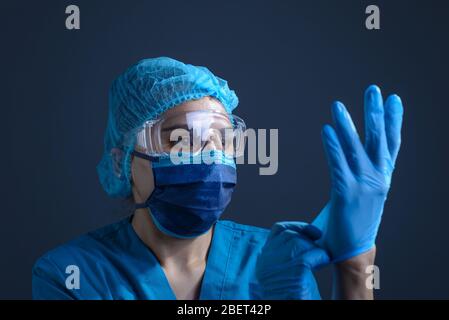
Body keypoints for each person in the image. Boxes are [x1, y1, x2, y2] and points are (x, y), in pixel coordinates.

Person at [32, 57, 403, 300]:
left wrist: (355, 267)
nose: (209, 156)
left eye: (223, 140)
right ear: (122, 162)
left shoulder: (274, 260)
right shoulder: (72, 274)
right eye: (179, 138)